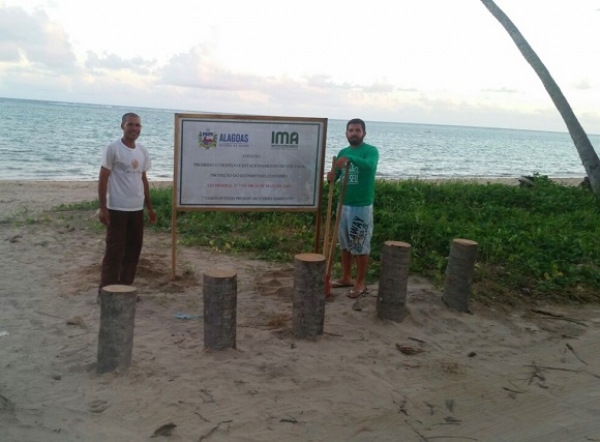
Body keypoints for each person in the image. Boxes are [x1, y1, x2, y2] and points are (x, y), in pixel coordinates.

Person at [98, 112, 156, 295]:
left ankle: (125, 288)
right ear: (122, 126)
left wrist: (149, 207)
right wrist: (103, 208)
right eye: (130, 124)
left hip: (136, 209)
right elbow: (103, 178)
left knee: (133, 250)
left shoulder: (142, 151)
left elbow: (143, 179)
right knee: (114, 251)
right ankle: (106, 292)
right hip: (117, 208)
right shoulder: (113, 148)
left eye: (137, 125)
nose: (134, 128)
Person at [327, 118, 379, 298]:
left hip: (361, 206)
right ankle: (346, 277)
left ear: (364, 133)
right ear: (346, 133)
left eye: (357, 130)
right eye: (351, 130)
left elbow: (369, 166)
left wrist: (350, 158)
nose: (354, 133)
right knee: (344, 244)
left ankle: (360, 282)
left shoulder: (370, 151)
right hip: (343, 204)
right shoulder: (343, 152)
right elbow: (336, 176)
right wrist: (331, 176)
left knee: (360, 245)